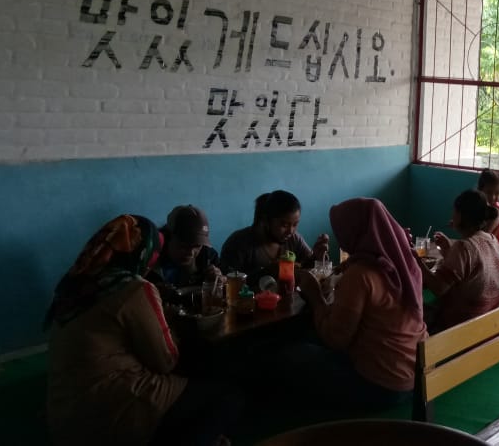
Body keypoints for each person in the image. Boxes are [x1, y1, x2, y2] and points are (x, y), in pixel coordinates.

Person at [45, 215, 241, 446]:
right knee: (229, 396)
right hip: (113, 410)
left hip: (64, 412)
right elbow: (166, 360)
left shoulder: (76, 284)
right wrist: (167, 321)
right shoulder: (133, 287)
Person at [284, 198, 426, 410]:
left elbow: (335, 338)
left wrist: (315, 297)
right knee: (307, 342)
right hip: (416, 376)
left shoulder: (361, 275)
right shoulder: (404, 261)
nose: (340, 238)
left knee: (287, 357)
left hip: (380, 385)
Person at [421, 189, 499, 332]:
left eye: (454, 211)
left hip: (468, 325)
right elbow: (471, 271)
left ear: (461, 216)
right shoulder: (491, 239)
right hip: (494, 318)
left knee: (412, 312)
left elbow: (438, 288)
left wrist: (416, 261)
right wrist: (449, 249)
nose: (452, 215)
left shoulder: (464, 247)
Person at [220, 190, 328, 283]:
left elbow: (306, 270)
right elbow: (226, 283)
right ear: (265, 220)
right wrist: (268, 272)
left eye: (295, 224)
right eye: (284, 225)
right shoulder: (238, 244)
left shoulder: (294, 239)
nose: (290, 231)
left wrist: (316, 257)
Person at [148, 205, 221, 288]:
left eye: (197, 246)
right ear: (167, 237)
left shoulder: (208, 256)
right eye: (184, 246)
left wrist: (219, 282)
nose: (191, 252)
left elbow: (226, 286)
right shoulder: (149, 258)